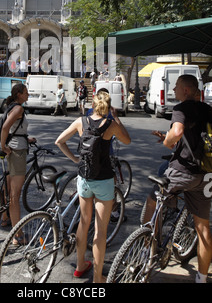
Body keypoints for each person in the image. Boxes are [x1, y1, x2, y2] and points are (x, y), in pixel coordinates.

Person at [55, 91, 131, 283]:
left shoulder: (82, 121)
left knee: (83, 222)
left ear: (92, 104)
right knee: (100, 231)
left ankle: (80, 266)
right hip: (104, 181)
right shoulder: (111, 125)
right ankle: (98, 278)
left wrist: (75, 159)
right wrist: (117, 118)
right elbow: (127, 140)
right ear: (108, 106)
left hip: (84, 179)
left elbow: (59, 141)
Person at [144, 74, 212, 283]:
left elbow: (178, 130)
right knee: (203, 228)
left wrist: (167, 142)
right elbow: (195, 138)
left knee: (152, 201)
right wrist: (171, 139)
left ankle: (148, 248)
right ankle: (201, 277)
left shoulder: (181, 109)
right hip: (206, 174)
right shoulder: (209, 110)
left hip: (183, 171)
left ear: (186, 90)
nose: (173, 89)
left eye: (176, 86)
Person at [0, 83, 36, 242]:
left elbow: (14, 128)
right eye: (26, 92)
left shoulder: (12, 106)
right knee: (15, 194)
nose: (28, 95)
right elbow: (6, 127)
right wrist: (3, 146)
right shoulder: (19, 109)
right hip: (17, 153)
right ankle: (18, 235)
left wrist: (26, 138)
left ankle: (4, 217)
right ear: (19, 94)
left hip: (14, 149)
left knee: (6, 188)